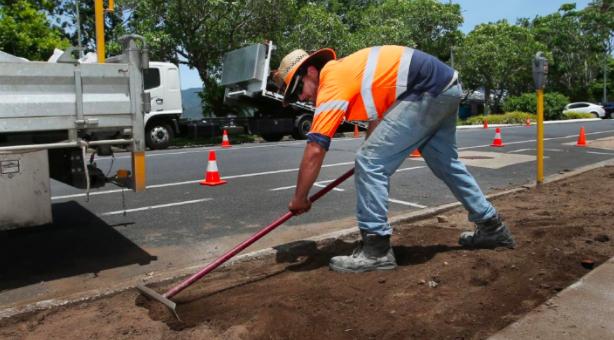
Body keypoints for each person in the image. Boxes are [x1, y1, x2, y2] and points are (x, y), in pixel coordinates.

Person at [276, 46, 515, 273]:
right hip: (445, 86)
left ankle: (376, 250)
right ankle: (491, 226)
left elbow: (316, 148)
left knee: (370, 163)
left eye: (299, 89)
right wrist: (371, 153)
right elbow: (378, 120)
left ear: (310, 71)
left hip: (426, 89)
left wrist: (299, 198)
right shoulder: (351, 71)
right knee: (446, 164)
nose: (303, 97)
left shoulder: (332, 79)